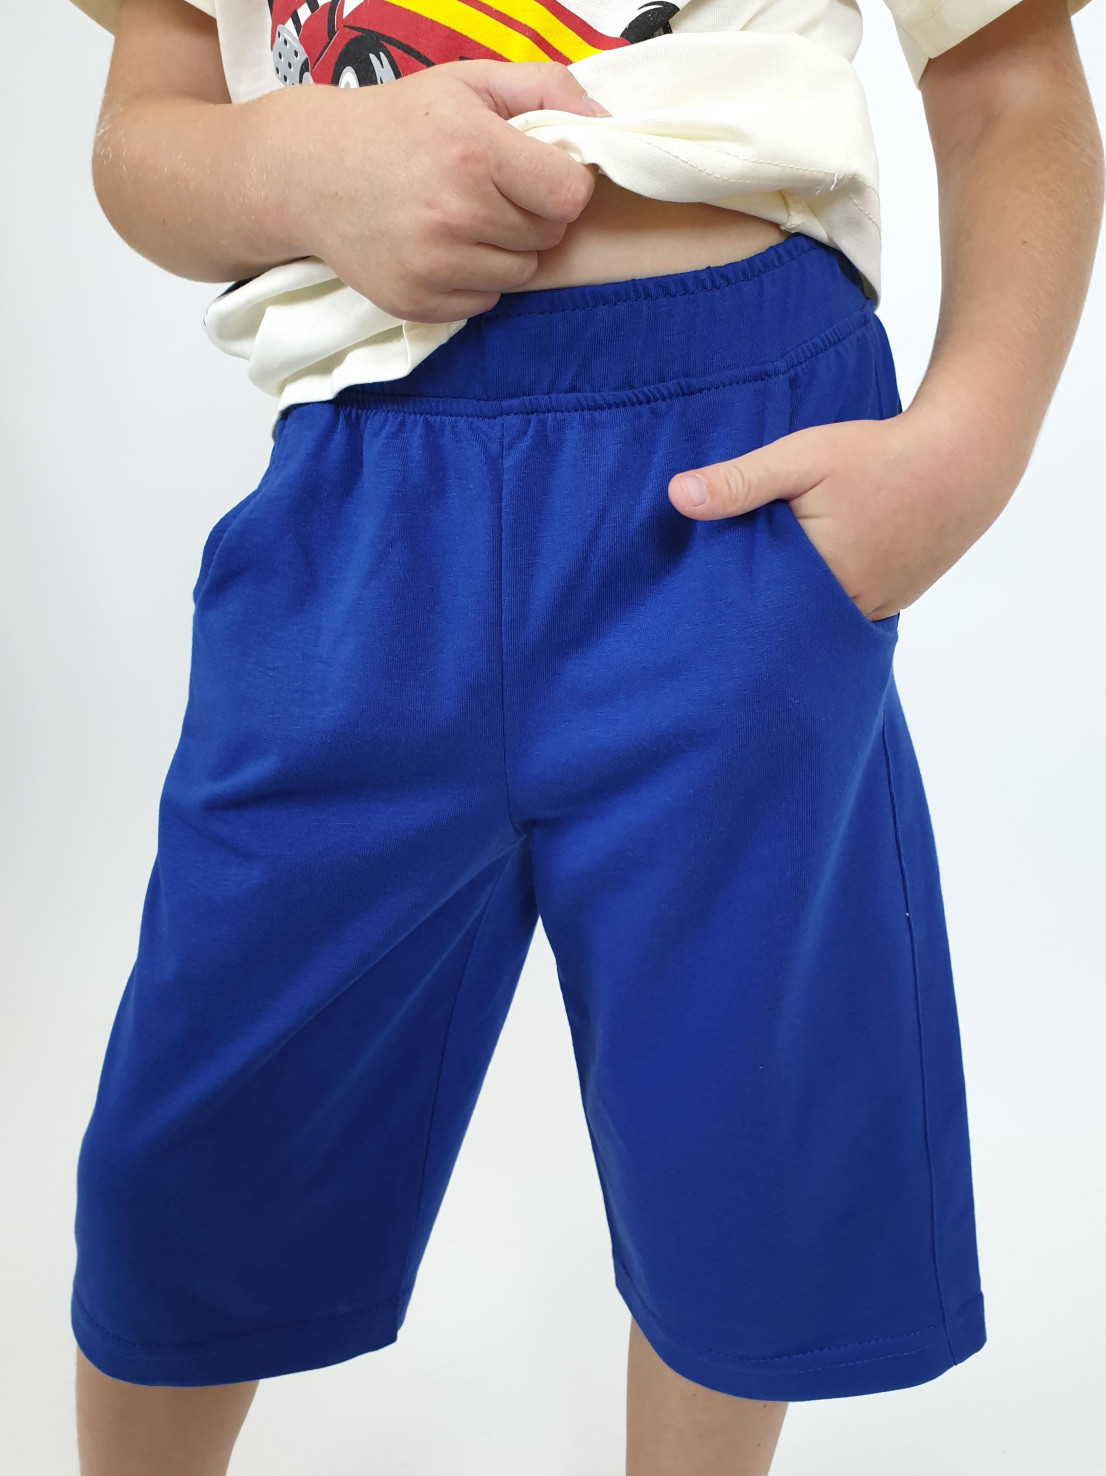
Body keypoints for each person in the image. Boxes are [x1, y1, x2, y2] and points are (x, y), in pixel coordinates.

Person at [66, 0, 1101, 1472]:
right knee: (194, 1142)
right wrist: (295, 168)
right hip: (362, 497)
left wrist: (964, 449)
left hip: (736, 476)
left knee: (734, 1131)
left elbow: (1006, 73)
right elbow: (144, 132)